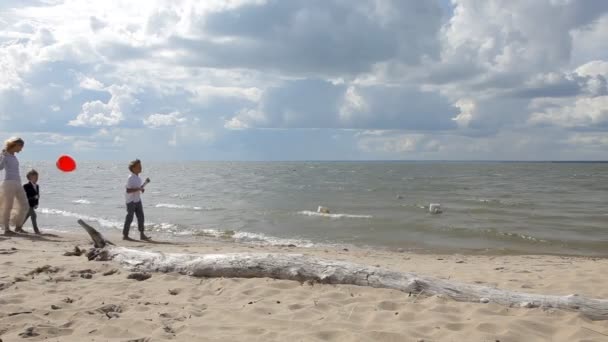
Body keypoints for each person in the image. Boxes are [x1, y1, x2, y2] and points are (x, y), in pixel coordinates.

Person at [0, 137, 29, 235]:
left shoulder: (14, 156)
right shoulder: (5, 155)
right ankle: (6, 229)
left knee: (25, 205)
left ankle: (18, 227)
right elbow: (0, 167)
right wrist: (2, 156)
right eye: (21, 147)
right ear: (15, 145)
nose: (21, 149)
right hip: (9, 182)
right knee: (7, 207)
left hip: (17, 182)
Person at [123, 159, 150, 240]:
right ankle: (125, 235)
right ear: (133, 168)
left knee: (141, 217)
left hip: (137, 200)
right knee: (130, 218)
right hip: (130, 201)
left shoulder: (138, 178)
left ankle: (142, 234)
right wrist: (138, 189)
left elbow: (138, 188)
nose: (140, 168)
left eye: (140, 166)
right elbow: (128, 190)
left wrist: (141, 189)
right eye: (138, 167)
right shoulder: (130, 178)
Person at [23, 169, 41, 234]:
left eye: (37, 177)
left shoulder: (37, 186)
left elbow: (37, 196)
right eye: (35, 177)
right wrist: (33, 197)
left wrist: (36, 204)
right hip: (27, 204)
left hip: (32, 205)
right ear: (30, 178)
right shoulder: (26, 186)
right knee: (34, 215)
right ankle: (36, 230)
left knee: (26, 216)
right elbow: (25, 196)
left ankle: (18, 227)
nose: (36, 179)